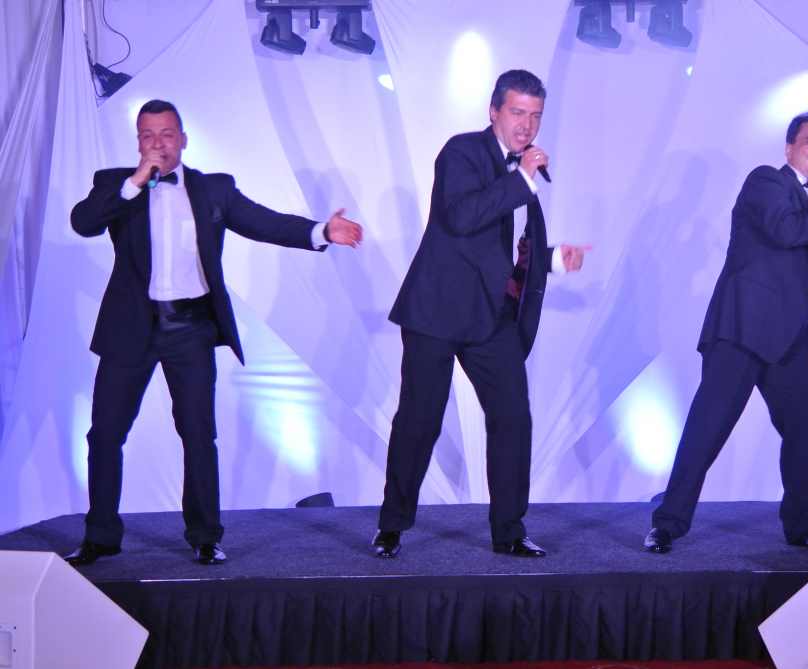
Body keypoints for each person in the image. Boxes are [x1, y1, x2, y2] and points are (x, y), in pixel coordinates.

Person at [64, 99, 362, 566]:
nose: (158, 143)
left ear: (183, 139)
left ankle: (205, 536)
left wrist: (322, 231)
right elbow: (82, 223)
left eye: (167, 134)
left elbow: (264, 222)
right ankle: (100, 535)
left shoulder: (213, 189)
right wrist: (135, 182)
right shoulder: (116, 185)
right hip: (131, 328)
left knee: (199, 435)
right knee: (104, 434)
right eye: (148, 135)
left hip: (191, 329)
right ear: (138, 142)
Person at [372, 70, 589, 558]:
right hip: (436, 310)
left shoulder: (523, 176)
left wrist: (552, 259)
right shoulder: (462, 153)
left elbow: (501, 250)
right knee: (420, 421)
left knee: (513, 417)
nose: (526, 125)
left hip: (491, 317)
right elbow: (463, 217)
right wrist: (522, 178)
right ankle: (391, 526)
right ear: (494, 112)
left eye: (535, 115)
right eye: (517, 112)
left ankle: (509, 531)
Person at [644, 109, 808, 554]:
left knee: (806, 427)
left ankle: (802, 525)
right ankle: (667, 524)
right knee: (708, 429)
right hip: (742, 331)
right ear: (790, 147)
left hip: (788, 341)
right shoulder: (766, 181)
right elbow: (785, 231)